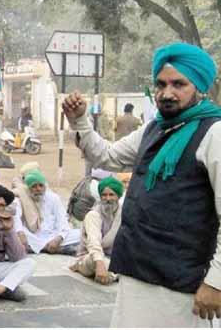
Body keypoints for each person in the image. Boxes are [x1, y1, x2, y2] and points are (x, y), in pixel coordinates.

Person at [62, 42, 221, 327]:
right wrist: (80, 121)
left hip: (182, 282)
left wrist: (216, 282)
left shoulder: (214, 134)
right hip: (137, 269)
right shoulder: (154, 128)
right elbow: (106, 156)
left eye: (178, 84)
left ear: (199, 87)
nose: (167, 93)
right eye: (160, 84)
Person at [70, 176, 124, 285]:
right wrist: (100, 263)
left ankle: (115, 273)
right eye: (104, 195)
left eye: (111, 195)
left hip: (114, 257)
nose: (107, 199)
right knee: (96, 261)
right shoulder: (93, 215)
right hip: (91, 257)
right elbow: (94, 242)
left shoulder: (124, 213)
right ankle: (116, 273)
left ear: (118, 196)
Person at [17, 170, 80, 254]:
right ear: (28, 188)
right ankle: (51, 249)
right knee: (17, 233)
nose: (38, 189)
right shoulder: (21, 200)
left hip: (53, 236)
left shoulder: (54, 198)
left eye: (41, 185)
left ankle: (40, 248)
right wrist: (21, 234)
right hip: (32, 237)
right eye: (34, 186)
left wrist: (59, 238)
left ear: (45, 186)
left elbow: (62, 221)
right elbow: (17, 222)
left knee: (80, 233)